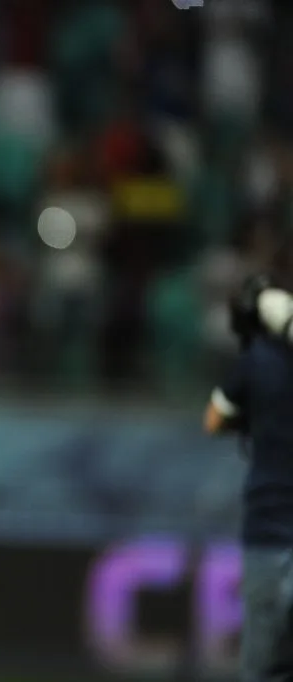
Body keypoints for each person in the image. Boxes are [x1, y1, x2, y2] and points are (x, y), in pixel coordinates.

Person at [203, 273, 293, 682]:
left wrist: (253, 416)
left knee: (262, 669)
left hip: (269, 535)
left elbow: (213, 419)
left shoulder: (257, 361)